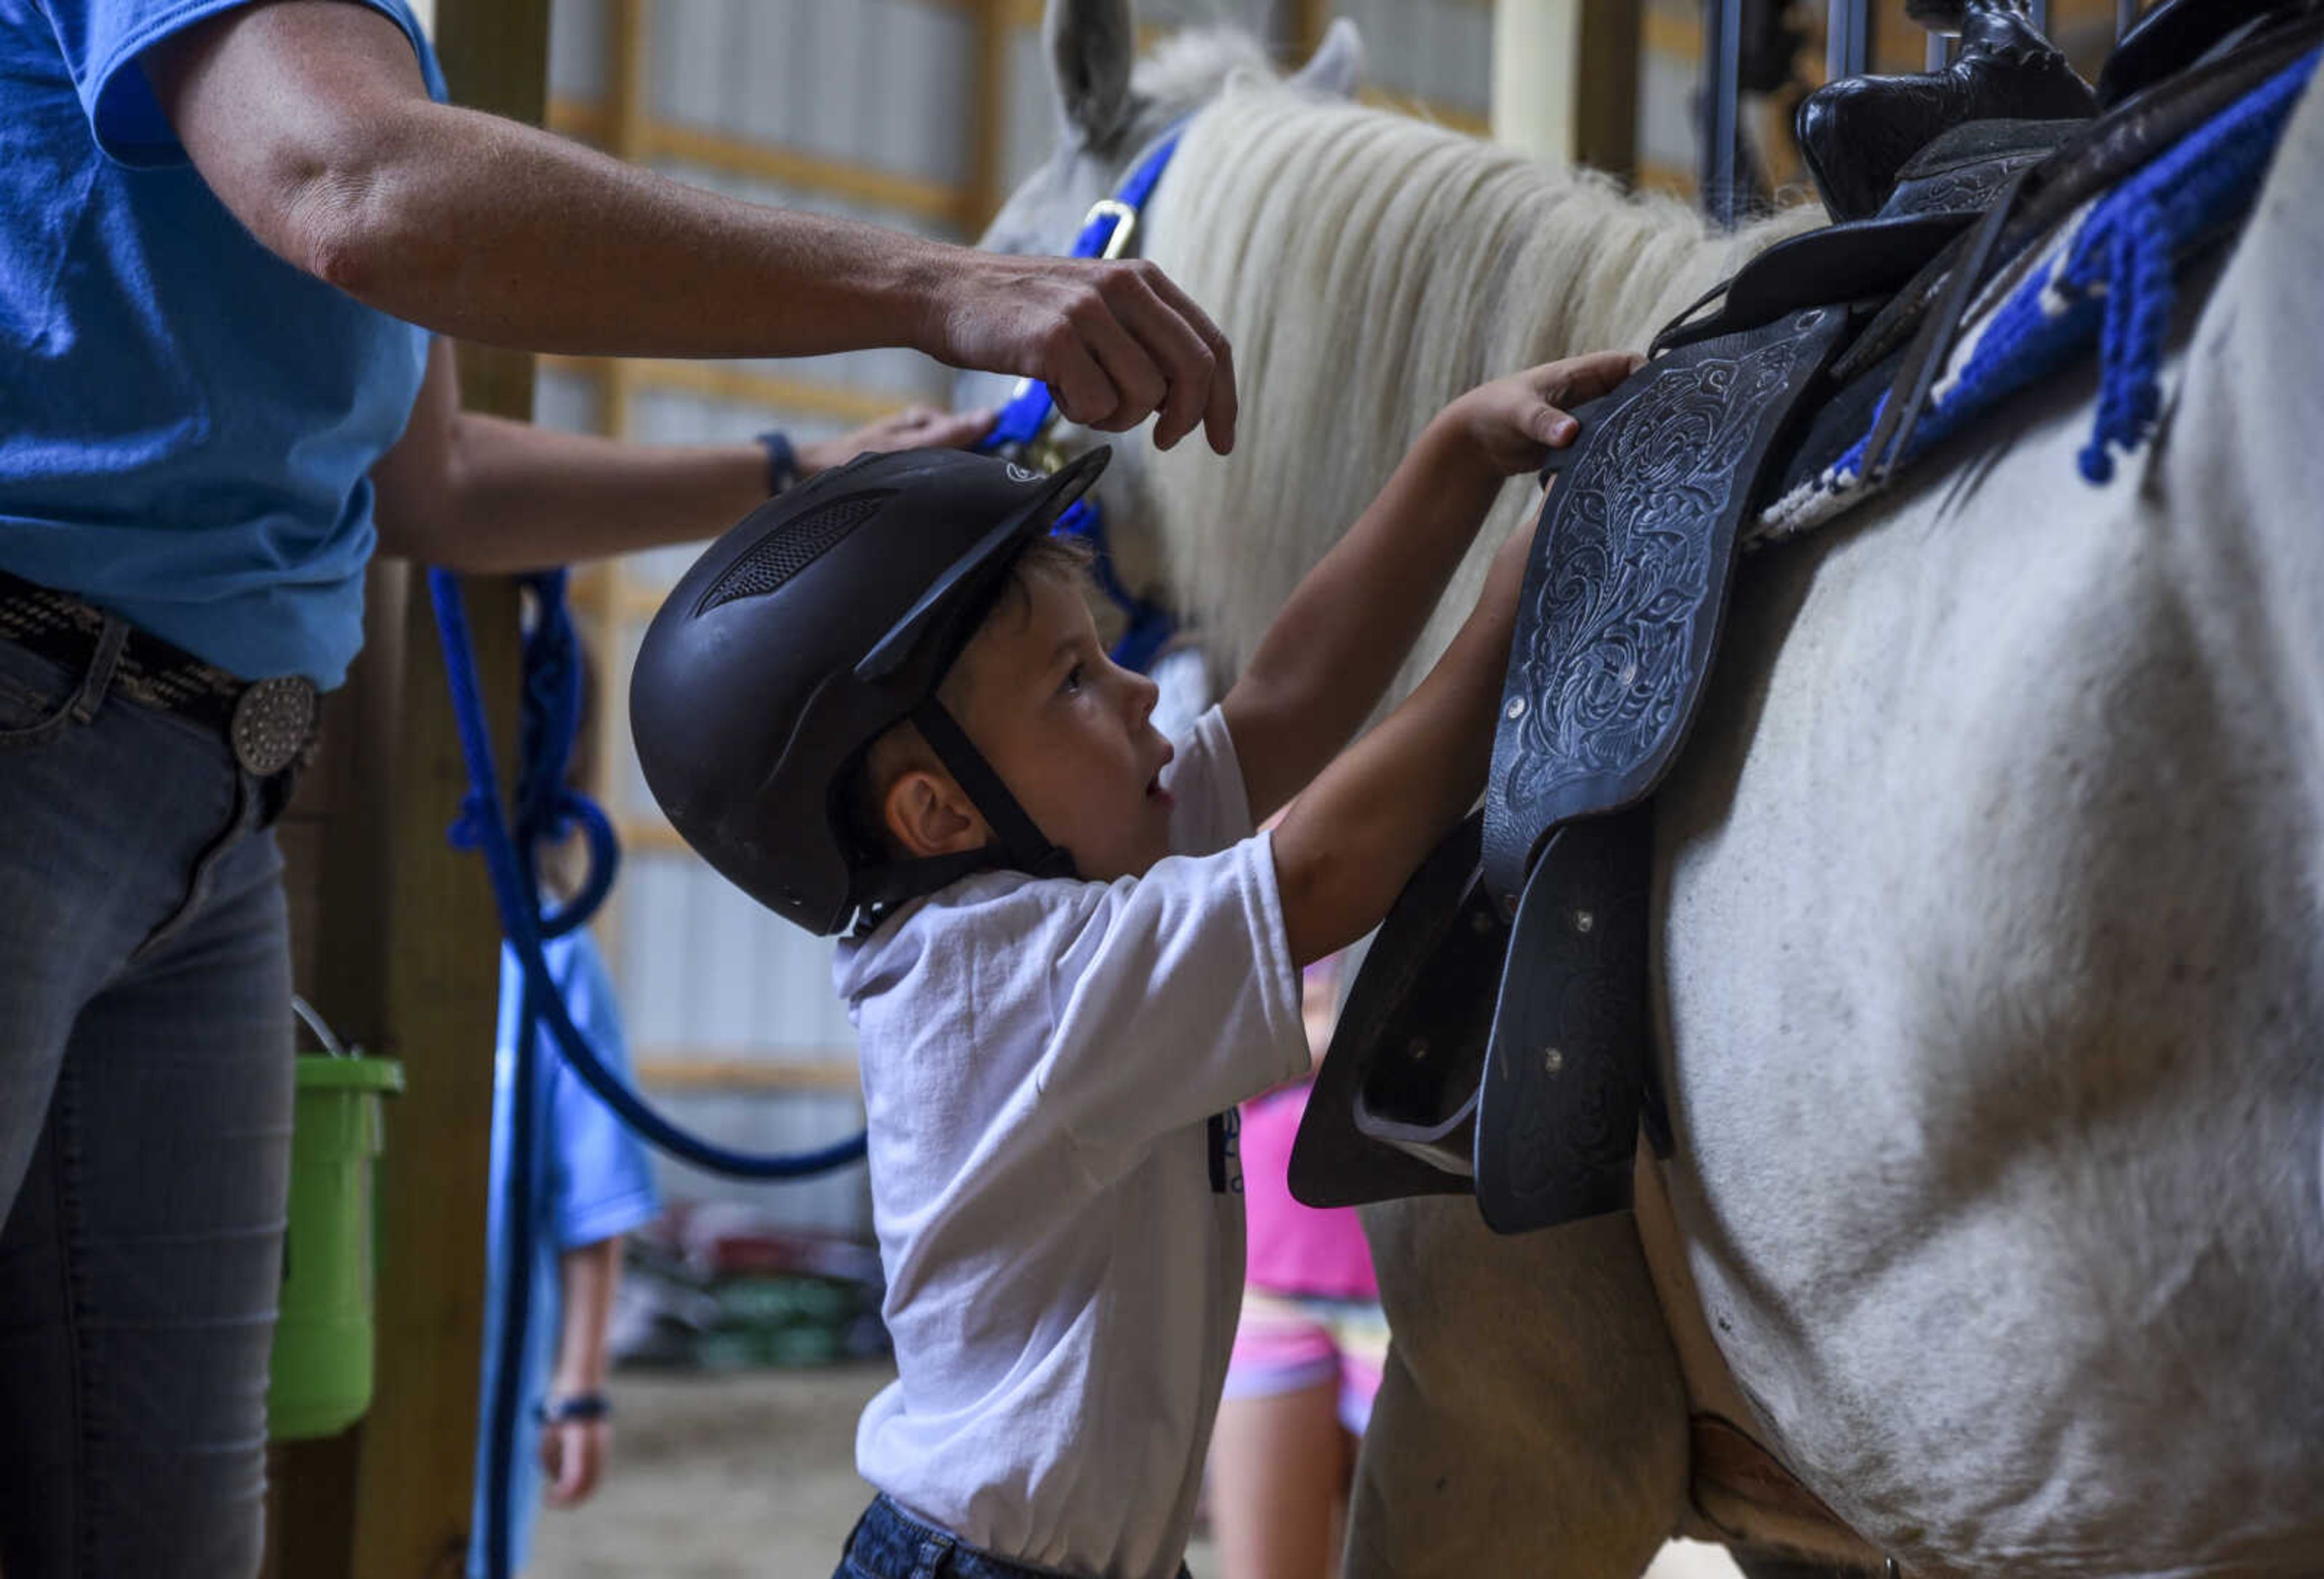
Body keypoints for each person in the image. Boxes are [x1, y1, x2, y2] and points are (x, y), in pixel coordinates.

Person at [0, 2, 1236, 1573]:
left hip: (214, 798)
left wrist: (792, 480)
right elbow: (356, 192)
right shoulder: (344, 98)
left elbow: (433, 489)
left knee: (163, 1525)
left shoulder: (372, 50)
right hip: (45, 715)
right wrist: (938, 287)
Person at [628, 349, 1640, 1578]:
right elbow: (1327, 866)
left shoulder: (1079, 875)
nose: (1139, 696)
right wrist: (1527, 601)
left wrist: (1454, 458)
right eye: (1073, 678)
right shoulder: (999, 977)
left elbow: (1285, 702)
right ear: (941, 811)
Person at [1206, 951, 1388, 1579]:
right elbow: (1203, 1060)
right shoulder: (1229, 872)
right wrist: (1335, 1031)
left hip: (1408, 1297)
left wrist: (1289, 1034)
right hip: (1267, 1291)